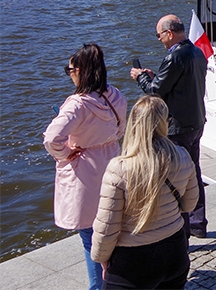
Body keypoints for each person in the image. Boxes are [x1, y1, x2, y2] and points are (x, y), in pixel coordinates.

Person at [91, 95, 199, 289]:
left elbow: (107, 225)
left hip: (132, 262)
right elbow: (190, 204)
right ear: (164, 123)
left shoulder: (119, 168)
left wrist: (101, 258)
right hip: (175, 251)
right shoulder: (182, 156)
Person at [43, 44, 127, 290]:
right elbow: (119, 129)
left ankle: (98, 287)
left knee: (91, 240)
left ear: (79, 71)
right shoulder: (115, 96)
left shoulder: (77, 104)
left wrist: (67, 152)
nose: (69, 74)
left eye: (69, 69)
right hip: (112, 163)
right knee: (113, 231)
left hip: (85, 173)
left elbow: (51, 138)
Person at [130, 14, 208, 237]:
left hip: (178, 128)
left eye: (159, 35)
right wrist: (155, 76)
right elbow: (179, 83)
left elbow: (155, 92)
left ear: (169, 33)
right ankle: (198, 224)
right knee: (194, 173)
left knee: (176, 178)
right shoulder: (197, 52)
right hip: (196, 122)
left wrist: (140, 78)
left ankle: (180, 229)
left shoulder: (174, 58)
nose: (158, 40)